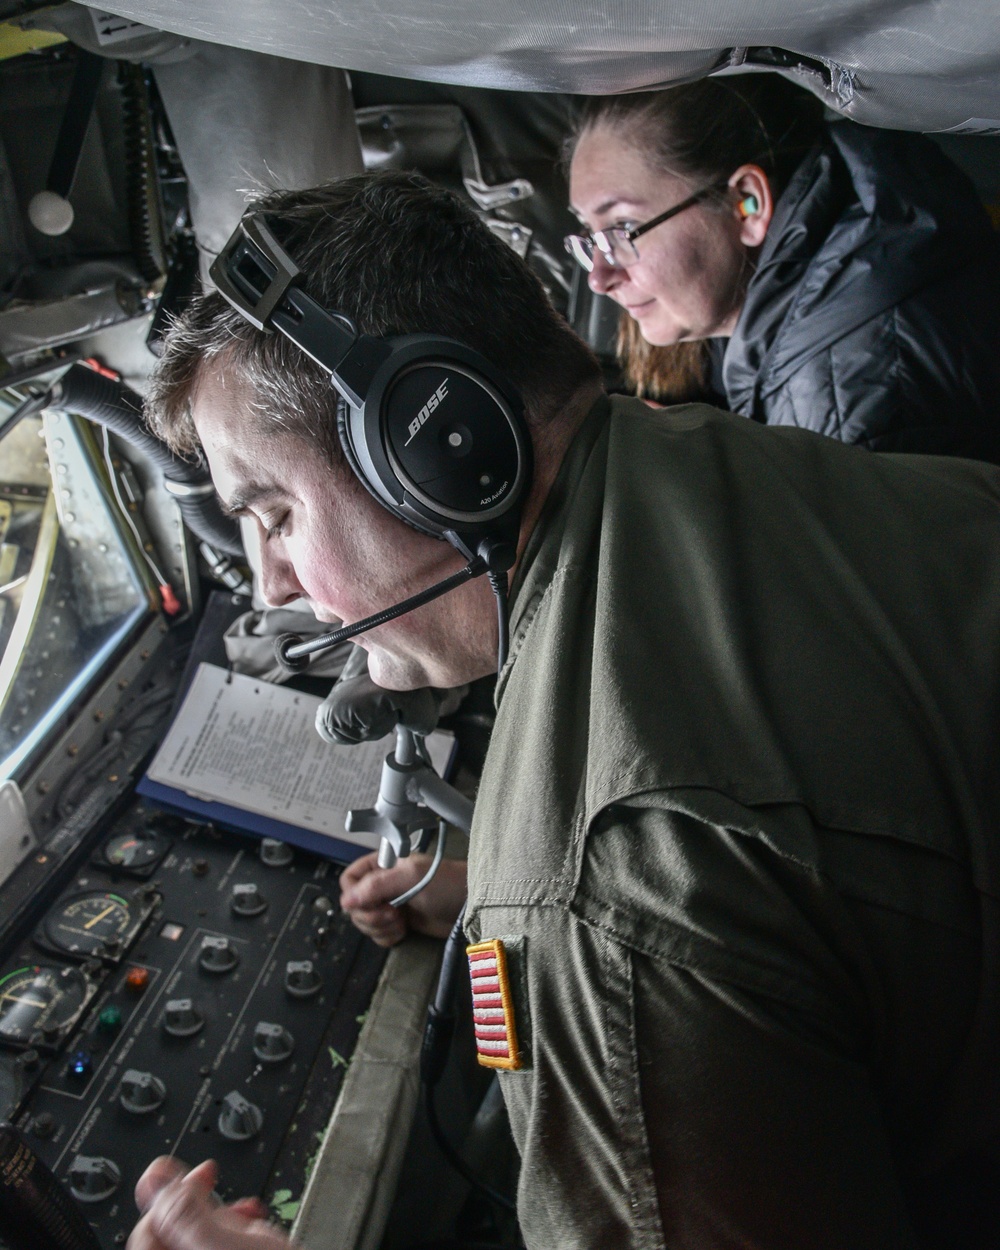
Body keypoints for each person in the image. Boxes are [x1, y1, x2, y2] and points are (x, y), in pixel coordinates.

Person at [130, 169, 1000, 1250]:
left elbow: (656, 873)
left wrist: (549, 909)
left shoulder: (607, 893)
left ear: (430, 446)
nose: (269, 585)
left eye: (272, 511)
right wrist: (491, 899)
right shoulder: (726, 460)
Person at [565, 76, 1000, 460]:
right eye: (590, 236)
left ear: (747, 205)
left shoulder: (848, 410)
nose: (599, 278)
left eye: (622, 228)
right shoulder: (838, 256)